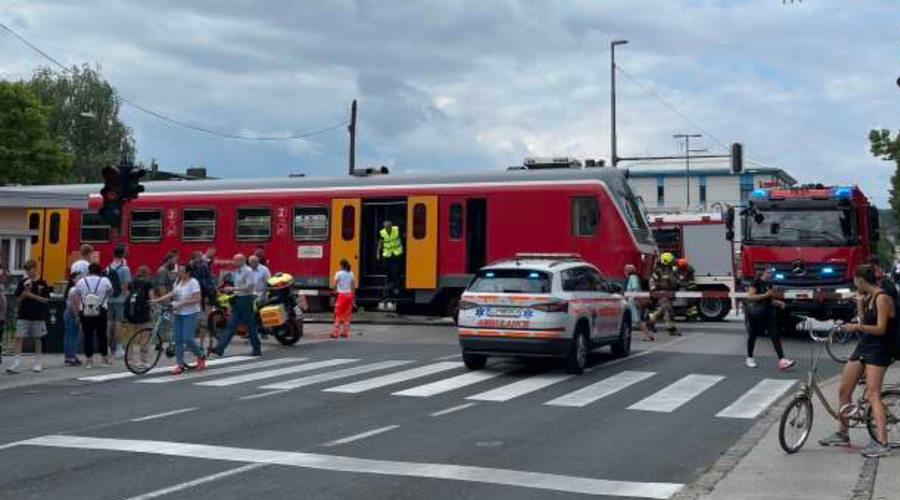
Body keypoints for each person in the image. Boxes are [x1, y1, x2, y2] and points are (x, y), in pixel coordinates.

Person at [819, 265, 895, 458]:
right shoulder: (869, 297)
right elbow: (865, 322)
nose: (854, 284)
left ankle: (882, 443)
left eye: (854, 281)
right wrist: (860, 305)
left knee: (872, 394)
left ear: (860, 280)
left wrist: (857, 326)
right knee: (844, 390)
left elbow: (880, 329)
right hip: (864, 346)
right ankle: (843, 434)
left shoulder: (882, 297)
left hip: (879, 349)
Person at [152, 264, 206, 374]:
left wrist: (181, 303)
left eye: (181, 271)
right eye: (179, 271)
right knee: (178, 340)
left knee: (188, 338)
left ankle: (201, 355)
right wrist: (157, 300)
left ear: (188, 273)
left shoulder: (193, 282)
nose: (178, 273)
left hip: (190, 313)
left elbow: (197, 298)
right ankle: (179, 365)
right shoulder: (178, 281)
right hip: (178, 313)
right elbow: (172, 293)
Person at [743, 268, 795, 371]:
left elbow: (769, 300)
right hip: (756, 313)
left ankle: (782, 360)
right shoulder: (756, 282)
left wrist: (778, 303)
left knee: (775, 335)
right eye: (768, 272)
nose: (770, 274)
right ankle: (750, 358)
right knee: (753, 334)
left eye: (771, 272)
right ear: (762, 273)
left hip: (769, 313)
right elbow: (750, 297)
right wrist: (765, 295)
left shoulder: (769, 284)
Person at [212, 254, 261, 357]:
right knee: (230, 325)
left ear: (242, 261)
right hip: (238, 299)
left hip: (246, 300)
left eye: (235, 261)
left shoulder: (248, 271)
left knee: (250, 325)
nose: (234, 263)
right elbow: (237, 285)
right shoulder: (236, 272)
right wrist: (229, 288)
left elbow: (250, 287)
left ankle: (256, 349)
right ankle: (219, 349)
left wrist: (233, 289)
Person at [6, 260, 50, 374]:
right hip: (23, 315)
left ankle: (38, 362)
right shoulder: (23, 282)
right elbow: (17, 301)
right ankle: (16, 363)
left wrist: (32, 295)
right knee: (19, 337)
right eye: (27, 270)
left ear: (36, 268)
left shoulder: (42, 282)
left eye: (31, 269)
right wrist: (24, 294)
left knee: (37, 338)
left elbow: (46, 300)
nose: (30, 272)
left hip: (38, 315)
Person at [73, 263, 114, 368]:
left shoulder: (81, 281)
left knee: (88, 335)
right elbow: (111, 292)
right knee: (102, 335)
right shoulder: (105, 280)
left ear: (89, 271)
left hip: (85, 310)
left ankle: (89, 360)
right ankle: (104, 359)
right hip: (101, 310)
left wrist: (77, 312)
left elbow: (76, 295)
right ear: (99, 271)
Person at [125, 265, 157, 367]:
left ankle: (130, 359)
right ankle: (143, 360)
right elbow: (151, 298)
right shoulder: (148, 283)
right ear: (147, 273)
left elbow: (128, 296)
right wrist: (154, 308)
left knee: (131, 336)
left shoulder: (132, 283)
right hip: (143, 312)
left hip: (132, 312)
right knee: (144, 336)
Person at [106, 245, 132, 359]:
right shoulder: (124, 268)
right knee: (119, 323)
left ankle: (106, 347)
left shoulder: (108, 267)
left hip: (109, 299)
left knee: (109, 323)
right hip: (120, 299)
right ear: (123, 254)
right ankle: (119, 348)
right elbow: (126, 286)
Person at [647, 252, 681, 336]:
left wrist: (677, 284)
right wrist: (655, 290)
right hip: (662, 293)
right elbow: (651, 282)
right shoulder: (659, 271)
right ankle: (671, 329)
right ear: (666, 261)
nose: (673, 262)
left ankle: (650, 323)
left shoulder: (673, 271)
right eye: (671, 261)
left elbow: (677, 281)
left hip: (670, 294)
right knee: (668, 310)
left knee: (662, 310)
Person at [625, 264, 654, 341]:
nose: (624, 272)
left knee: (636, 320)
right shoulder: (635, 277)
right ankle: (648, 335)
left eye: (626, 270)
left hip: (633, 300)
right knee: (637, 320)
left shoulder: (632, 277)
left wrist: (631, 296)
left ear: (628, 271)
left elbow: (634, 288)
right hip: (634, 300)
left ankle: (648, 335)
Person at [377, 219, 404, 298]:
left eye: (389, 226)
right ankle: (391, 284)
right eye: (386, 227)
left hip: (397, 253)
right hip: (387, 254)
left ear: (391, 225)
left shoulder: (397, 230)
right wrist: (378, 253)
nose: (387, 228)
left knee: (395, 271)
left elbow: (404, 236)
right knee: (386, 269)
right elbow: (380, 242)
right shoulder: (382, 232)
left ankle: (396, 287)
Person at [63, 271, 83, 366]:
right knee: (72, 336)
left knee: (71, 335)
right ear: (73, 279)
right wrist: (77, 316)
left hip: (70, 313)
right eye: (79, 277)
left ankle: (71, 356)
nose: (81, 279)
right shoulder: (74, 289)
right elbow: (74, 304)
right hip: (72, 314)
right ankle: (70, 357)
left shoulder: (73, 289)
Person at [332, 259, 355, 339]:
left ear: (341, 265)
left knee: (338, 314)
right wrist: (353, 296)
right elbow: (353, 286)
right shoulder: (351, 274)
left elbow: (334, 284)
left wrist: (334, 291)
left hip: (342, 295)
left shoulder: (338, 274)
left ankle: (335, 333)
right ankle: (345, 333)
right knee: (347, 315)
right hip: (349, 296)